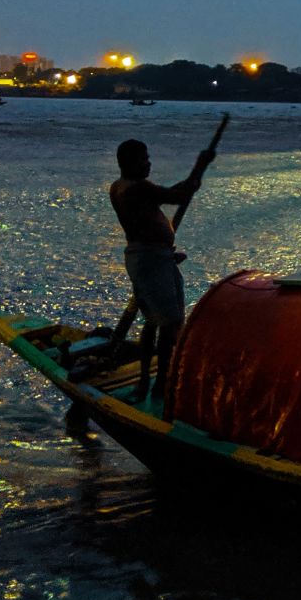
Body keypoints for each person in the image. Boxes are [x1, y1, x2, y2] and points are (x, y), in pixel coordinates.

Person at [110, 138, 212, 402]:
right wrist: (199, 167)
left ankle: (152, 382)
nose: (148, 163)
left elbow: (173, 198)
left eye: (148, 157)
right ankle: (157, 384)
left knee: (158, 321)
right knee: (169, 323)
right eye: (143, 159)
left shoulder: (124, 187)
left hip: (157, 258)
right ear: (128, 163)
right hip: (149, 261)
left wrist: (165, 253)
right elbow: (177, 196)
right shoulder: (133, 188)